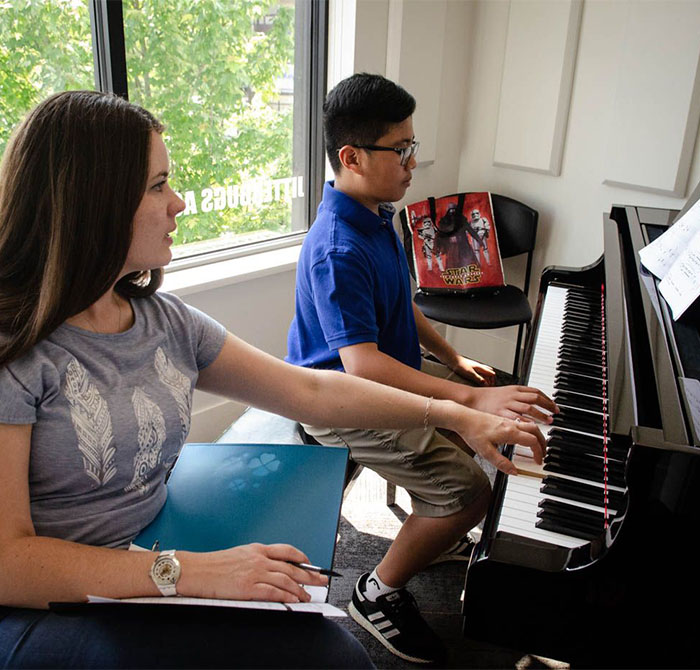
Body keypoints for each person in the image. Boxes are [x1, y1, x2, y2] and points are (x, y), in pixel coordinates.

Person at [0, 91, 548, 669]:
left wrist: (458, 412)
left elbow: (309, 389)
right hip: (52, 606)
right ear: (94, 203)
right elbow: (9, 562)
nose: (179, 203)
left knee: (335, 656)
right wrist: (191, 572)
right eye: (158, 185)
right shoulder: (18, 350)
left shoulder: (165, 321)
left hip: (147, 551)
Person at [285, 73, 558, 664]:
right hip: (336, 403)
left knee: (507, 404)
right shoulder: (337, 246)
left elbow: (399, 306)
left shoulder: (378, 214)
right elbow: (361, 366)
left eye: (414, 145)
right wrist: (459, 405)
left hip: (381, 376)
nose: (413, 162)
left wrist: (455, 360)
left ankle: (434, 526)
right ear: (352, 157)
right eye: (401, 149)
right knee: (468, 492)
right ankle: (376, 589)